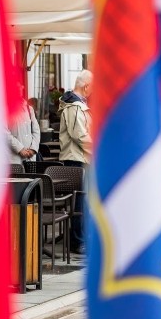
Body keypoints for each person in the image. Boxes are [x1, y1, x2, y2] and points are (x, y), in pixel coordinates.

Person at [59, 70, 94, 254]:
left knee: (82, 201)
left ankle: (80, 239)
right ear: (86, 86)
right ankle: (77, 241)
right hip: (76, 160)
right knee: (79, 202)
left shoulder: (77, 104)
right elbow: (79, 135)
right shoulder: (74, 106)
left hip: (80, 159)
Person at [7, 83, 41, 164]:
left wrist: (33, 149)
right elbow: (4, 133)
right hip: (14, 158)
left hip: (30, 158)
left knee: (30, 176)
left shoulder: (29, 109)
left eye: (20, 86)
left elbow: (36, 131)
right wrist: (20, 149)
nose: (19, 88)